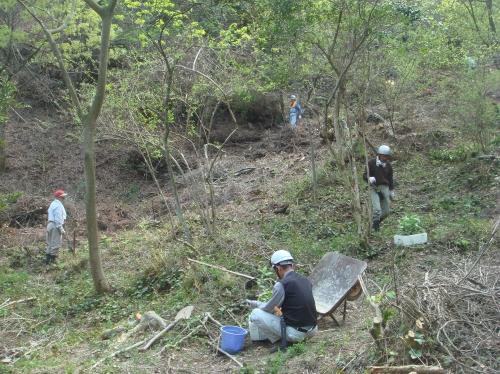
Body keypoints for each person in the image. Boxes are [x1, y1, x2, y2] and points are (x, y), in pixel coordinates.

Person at [246, 250, 318, 353]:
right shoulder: (305, 280)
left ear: (278, 268)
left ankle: (281, 342)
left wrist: (256, 304)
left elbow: (269, 309)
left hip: (297, 334)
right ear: (292, 265)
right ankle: (288, 338)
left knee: (255, 314)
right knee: (278, 311)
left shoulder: (282, 284)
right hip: (313, 330)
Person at [363, 145, 394, 232]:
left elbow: (390, 178)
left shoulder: (388, 165)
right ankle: (376, 229)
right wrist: (368, 178)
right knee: (377, 209)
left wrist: (391, 190)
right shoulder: (371, 163)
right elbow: (364, 175)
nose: (385, 158)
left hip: (384, 188)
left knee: (386, 211)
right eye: (383, 156)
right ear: (379, 155)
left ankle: (375, 223)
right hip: (374, 188)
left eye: (387, 156)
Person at [45, 190, 68, 264]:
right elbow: (58, 218)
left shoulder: (53, 204)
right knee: (56, 243)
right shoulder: (58, 206)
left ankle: (47, 261)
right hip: (55, 225)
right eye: (62, 197)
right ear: (58, 197)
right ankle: (52, 261)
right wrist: (60, 227)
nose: (64, 198)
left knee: (50, 243)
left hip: (50, 225)